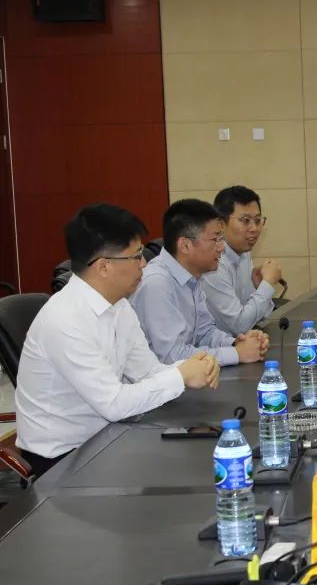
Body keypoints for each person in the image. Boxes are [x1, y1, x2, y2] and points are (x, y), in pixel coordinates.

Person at [15, 204, 219, 479]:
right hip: (62, 460)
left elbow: (146, 372)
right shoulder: (65, 319)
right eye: (136, 256)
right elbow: (113, 403)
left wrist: (192, 366)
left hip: (107, 437)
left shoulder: (119, 305)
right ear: (104, 266)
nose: (144, 264)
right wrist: (180, 376)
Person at [131, 199, 269, 366]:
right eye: (216, 239)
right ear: (185, 245)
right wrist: (237, 353)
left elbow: (204, 332)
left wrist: (236, 343)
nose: (222, 247)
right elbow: (172, 356)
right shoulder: (156, 284)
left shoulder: (192, 275)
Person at [201, 185, 282, 335]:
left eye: (257, 220)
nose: (254, 228)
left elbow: (258, 315)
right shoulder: (213, 263)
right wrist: (268, 284)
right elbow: (239, 325)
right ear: (221, 224)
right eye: (245, 221)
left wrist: (258, 287)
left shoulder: (243, 253)